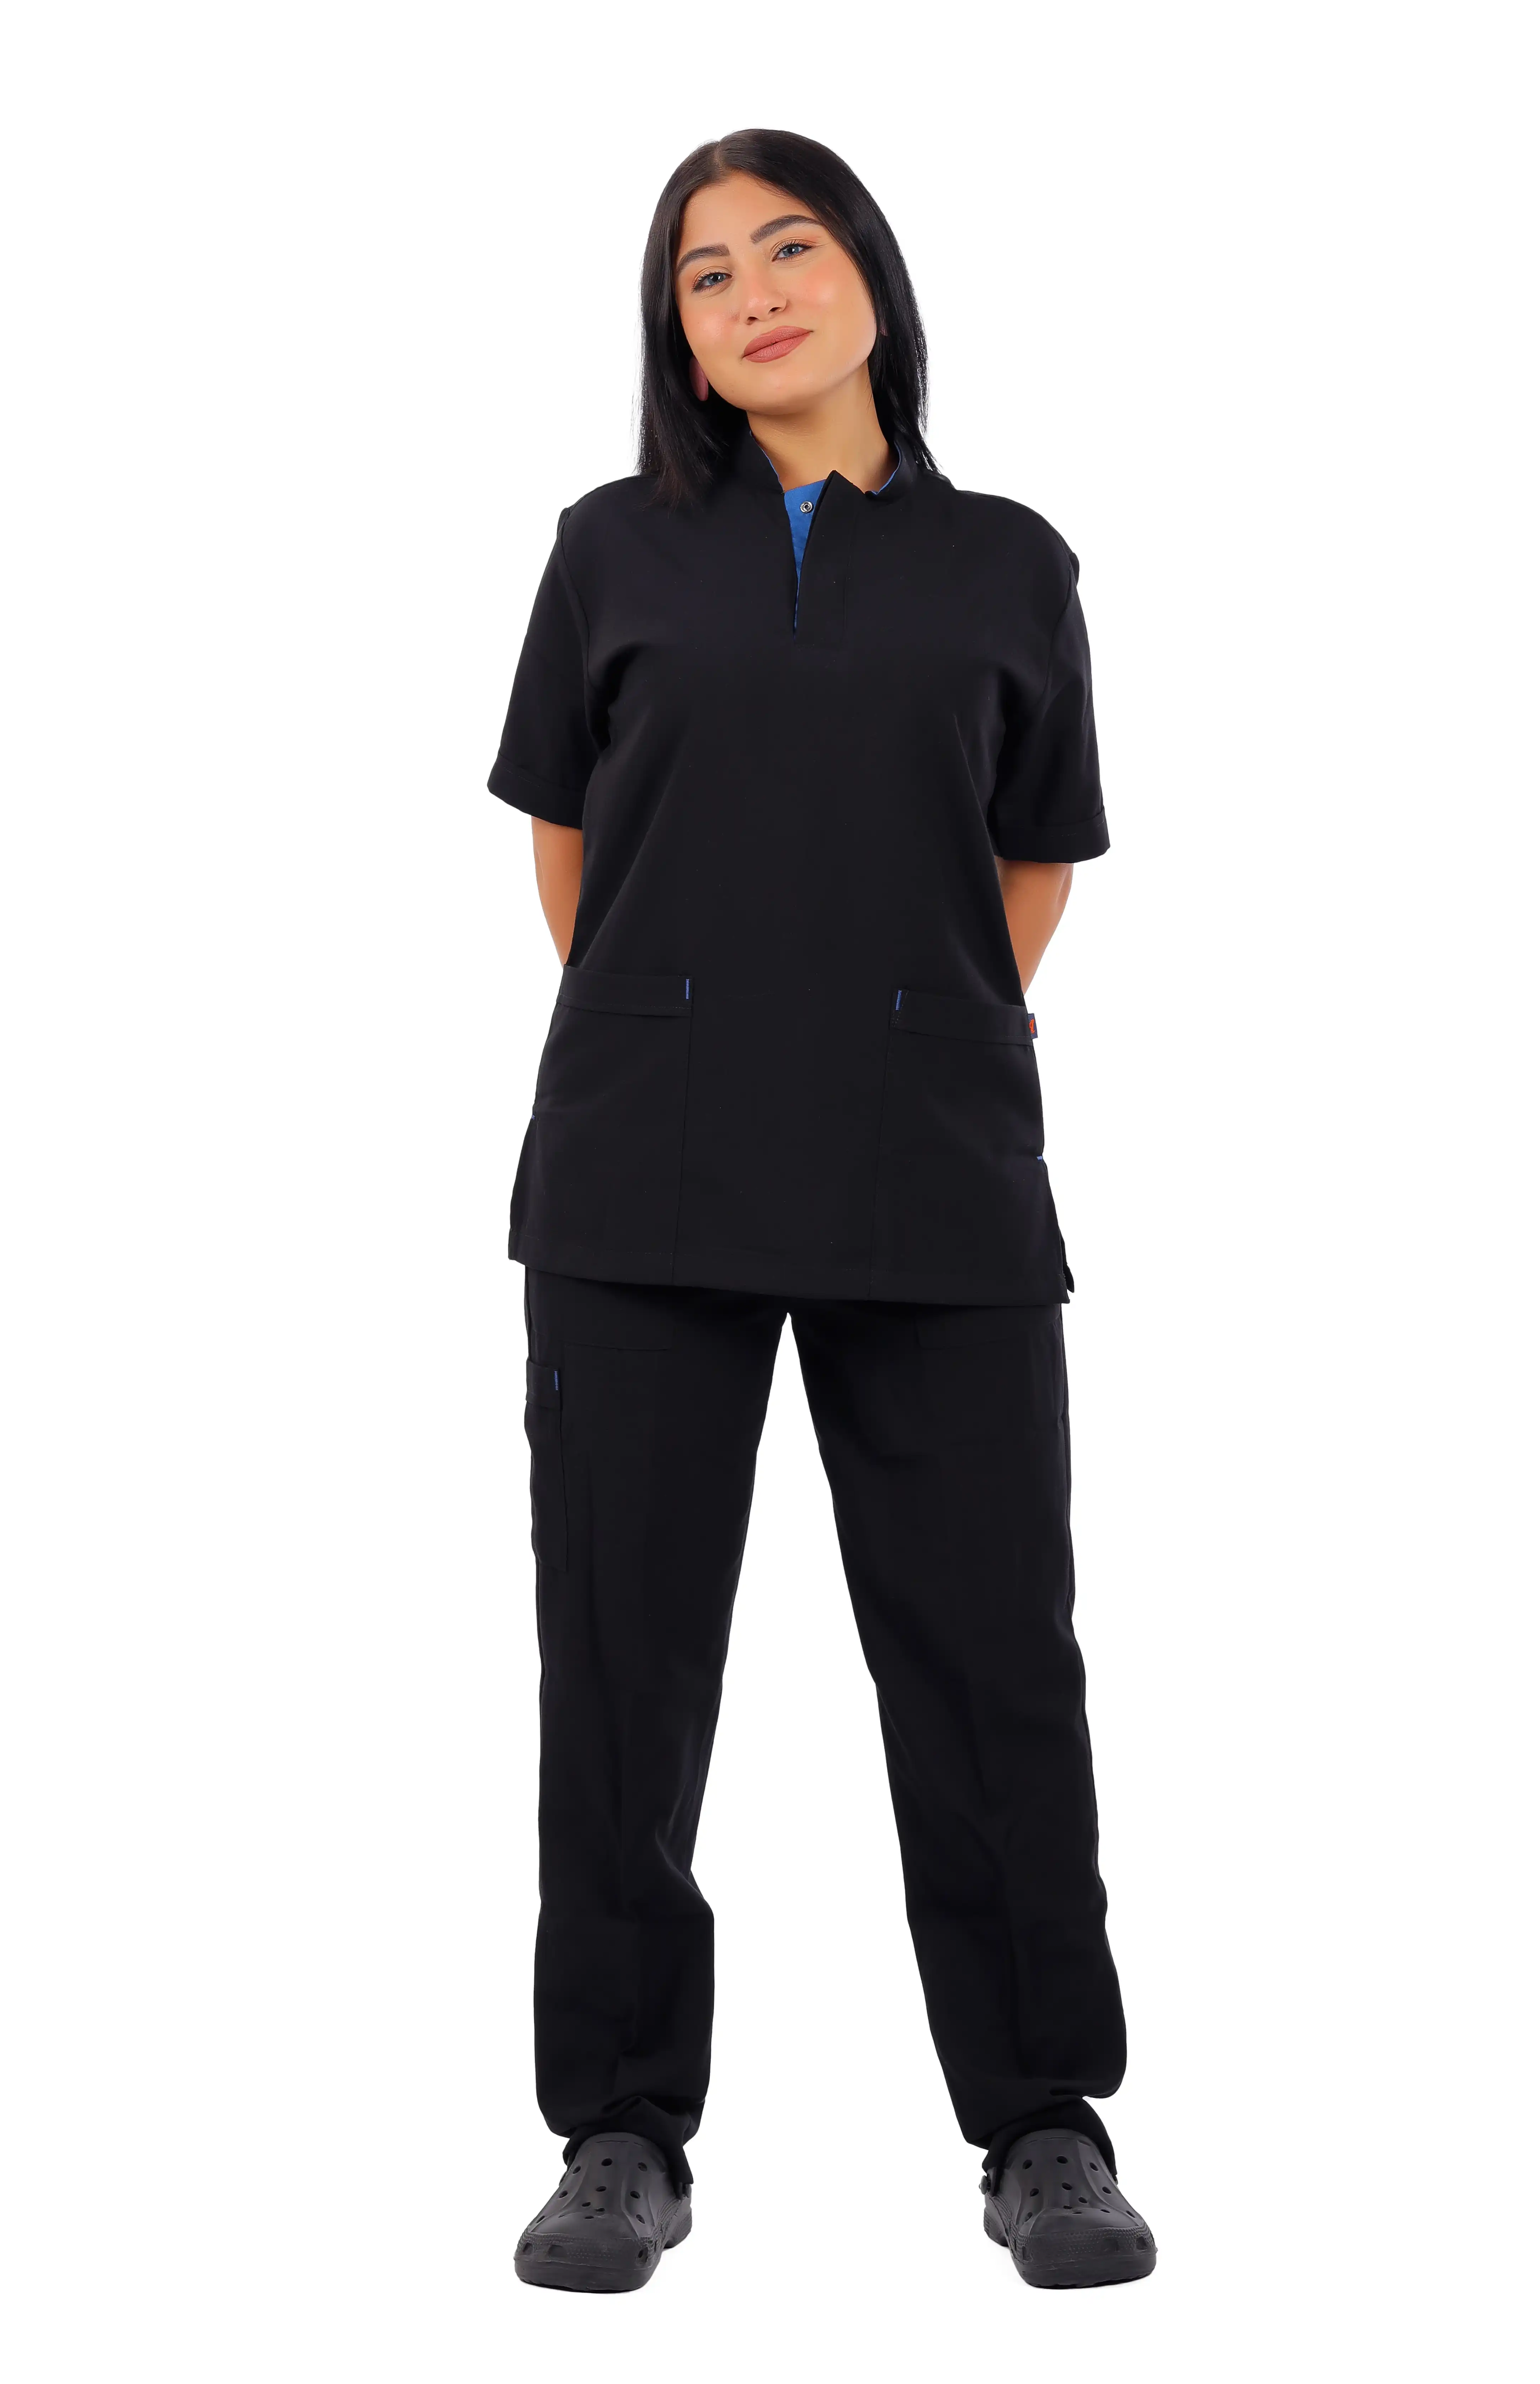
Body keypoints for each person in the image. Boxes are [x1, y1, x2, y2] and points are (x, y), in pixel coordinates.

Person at [488, 128, 1155, 2295]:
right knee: (622, 1664)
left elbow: (1031, 860)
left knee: (992, 1655)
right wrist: (687, 1026)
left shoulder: (1009, 564)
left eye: (790, 247)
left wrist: (903, 1030)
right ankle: (619, 2130)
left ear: (871, 274)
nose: (755, 291)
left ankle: (1044, 2123)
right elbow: (570, 847)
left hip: (932, 1166)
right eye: (706, 274)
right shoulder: (611, 551)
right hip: (643, 1168)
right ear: (678, 339)